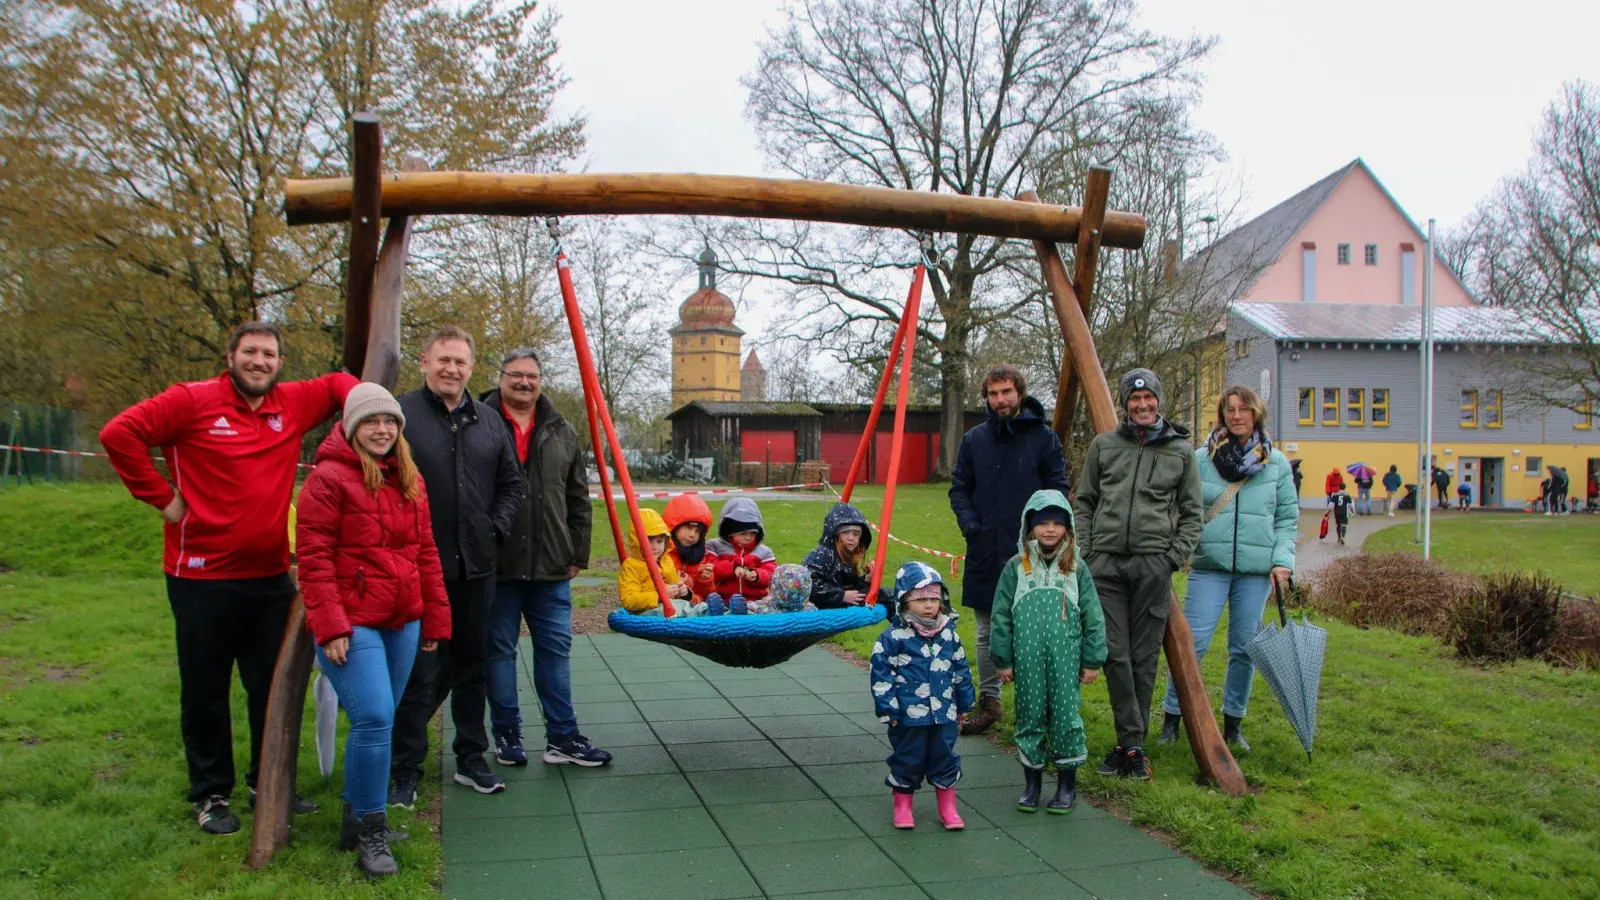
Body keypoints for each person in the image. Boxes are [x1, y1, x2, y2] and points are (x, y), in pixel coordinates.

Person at [99, 322, 355, 834]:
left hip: (268, 578)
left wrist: (361, 412)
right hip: (201, 577)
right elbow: (118, 434)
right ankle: (212, 794)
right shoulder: (191, 401)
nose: (260, 361)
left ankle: (269, 781)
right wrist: (164, 500)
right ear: (231, 355)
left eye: (269, 354)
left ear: (281, 362)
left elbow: (341, 386)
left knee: (272, 685)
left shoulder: (292, 403)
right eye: (251, 352)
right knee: (205, 689)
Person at [295, 384, 451, 878]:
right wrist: (331, 626)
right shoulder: (327, 480)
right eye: (370, 421)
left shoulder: (410, 479)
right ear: (351, 427)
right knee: (375, 716)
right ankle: (371, 829)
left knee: (386, 715)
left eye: (389, 422)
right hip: (352, 620)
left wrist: (434, 619)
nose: (381, 429)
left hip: (402, 618)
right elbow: (314, 559)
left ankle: (353, 815)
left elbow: (425, 553)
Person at [389, 327, 524, 805]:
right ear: (424, 361)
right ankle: (404, 768)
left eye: (460, 362)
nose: (451, 369)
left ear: (471, 368)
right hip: (419, 570)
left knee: (473, 667)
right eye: (443, 360)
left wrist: (494, 529)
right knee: (419, 671)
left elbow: (512, 484)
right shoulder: (399, 417)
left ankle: (471, 757)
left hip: (477, 571)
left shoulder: (490, 422)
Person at [480, 348, 609, 770]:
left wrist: (577, 551)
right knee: (498, 652)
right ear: (500, 377)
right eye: (515, 375)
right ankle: (507, 733)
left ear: (541, 381)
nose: (523, 383)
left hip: (551, 564)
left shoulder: (561, 430)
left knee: (554, 651)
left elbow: (577, 498)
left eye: (531, 376)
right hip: (496, 565)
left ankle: (563, 736)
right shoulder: (477, 422)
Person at [1073, 368, 1201, 782]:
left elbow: (1192, 515)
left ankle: (1131, 749)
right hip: (1106, 565)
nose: (1142, 406)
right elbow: (1085, 501)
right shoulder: (1105, 446)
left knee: (1144, 659)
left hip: (1152, 566)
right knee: (1115, 654)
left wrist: (1172, 558)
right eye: (1134, 400)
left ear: (1158, 402)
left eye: (1149, 400)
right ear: (1126, 404)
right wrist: (1089, 553)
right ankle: (1131, 745)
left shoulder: (1181, 452)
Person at [1157, 387, 1296, 753]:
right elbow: (1182, 509)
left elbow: (1286, 518)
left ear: (1256, 413)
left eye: (1243, 409)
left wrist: (1283, 560)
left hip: (1255, 570)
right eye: (1229, 410)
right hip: (1209, 566)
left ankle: (1233, 723)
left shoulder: (1276, 463)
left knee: (1244, 649)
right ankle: (1173, 715)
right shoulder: (1201, 459)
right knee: (1193, 643)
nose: (1236, 416)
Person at [948, 364, 1069, 735]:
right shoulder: (975, 440)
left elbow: (1058, 489)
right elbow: (959, 488)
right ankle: (990, 702)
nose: (1000, 400)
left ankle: (1038, 708)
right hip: (986, 547)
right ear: (986, 397)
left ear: (1020, 393)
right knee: (986, 630)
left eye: (1006, 392)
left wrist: (1044, 532)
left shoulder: (1044, 439)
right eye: (993, 394)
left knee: (1035, 630)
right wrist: (971, 526)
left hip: (1033, 552)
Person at [990, 490, 1106, 814]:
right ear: (1031, 528)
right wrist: (1003, 660)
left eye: (1057, 523)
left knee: (1066, 716)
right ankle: (1032, 783)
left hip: (1066, 659)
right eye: (1043, 524)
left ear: (1067, 527)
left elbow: (1093, 615)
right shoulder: (1016, 567)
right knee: (1030, 713)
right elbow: (1000, 616)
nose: (1050, 530)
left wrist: (1092, 660)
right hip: (1027, 661)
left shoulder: (1076, 568)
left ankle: (1067, 785)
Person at [870, 561, 975, 832]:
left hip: (944, 714)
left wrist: (964, 702)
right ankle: (903, 805)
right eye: (921, 599)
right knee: (909, 757)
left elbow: (961, 669)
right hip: (907, 715)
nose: (929, 605)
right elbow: (881, 675)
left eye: (933, 598)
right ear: (905, 601)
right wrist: (888, 709)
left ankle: (948, 806)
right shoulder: (893, 637)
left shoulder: (949, 635)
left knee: (945, 756)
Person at [617, 508, 697, 614]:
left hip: (670, 606)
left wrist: (683, 592)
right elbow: (629, 600)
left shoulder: (667, 561)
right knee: (683, 609)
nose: (654, 547)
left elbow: (674, 584)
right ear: (637, 542)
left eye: (659, 542)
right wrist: (660, 596)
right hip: (647, 611)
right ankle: (705, 613)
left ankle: (712, 612)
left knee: (691, 605)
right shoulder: (631, 565)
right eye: (648, 542)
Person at [706, 498, 777, 612]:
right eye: (743, 533)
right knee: (715, 605)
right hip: (723, 599)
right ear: (729, 531)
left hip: (755, 601)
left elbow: (771, 574)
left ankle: (742, 611)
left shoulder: (764, 552)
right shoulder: (714, 546)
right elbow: (711, 569)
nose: (748, 537)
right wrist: (733, 566)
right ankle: (719, 611)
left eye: (753, 533)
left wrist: (757, 575)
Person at [803, 502, 875, 608]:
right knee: (881, 597)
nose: (851, 538)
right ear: (835, 534)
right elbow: (808, 585)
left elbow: (849, 584)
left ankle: (903, 621)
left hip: (837, 601)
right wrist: (841, 596)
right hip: (818, 607)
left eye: (856, 534)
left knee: (881, 594)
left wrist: (866, 579)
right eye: (845, 532)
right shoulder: (824, 554)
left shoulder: (847, 554)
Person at [664, 493, 717, 604]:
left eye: (697, 531)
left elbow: (706, 594)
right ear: (674, 527)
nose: (692, 535)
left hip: (693, 605)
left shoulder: (700, 557)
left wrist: (705, 580)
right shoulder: (663, 555)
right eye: (689, 528)